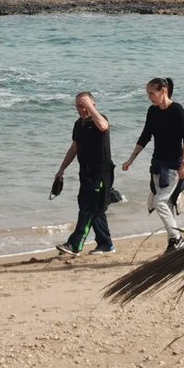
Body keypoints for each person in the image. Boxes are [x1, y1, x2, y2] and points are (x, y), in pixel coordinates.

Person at [122, 77, 184, 252]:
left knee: (160, 202)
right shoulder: (152, 111)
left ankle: (177, 237)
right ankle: (174, 242)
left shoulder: (177, 110)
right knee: (165, 204)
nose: (150, 97)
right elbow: (145, 136)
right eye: (148, 94)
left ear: (163, 90)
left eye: (152, 93)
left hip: (174, 165)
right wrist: (131, 159)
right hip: (157, 164)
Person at [53, 91, 116, 256]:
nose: (81, 109)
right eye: (78, 106)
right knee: (93, 208)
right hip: (85, 172)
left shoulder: (100, 119)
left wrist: (89, 106)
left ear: (93, 105)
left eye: (84, 106)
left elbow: (103, 126)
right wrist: (61, 169)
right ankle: (106, 244)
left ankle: (75, 244)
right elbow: (74, 148)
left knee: (88, 208)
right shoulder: (78, 125)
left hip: (101, 172)